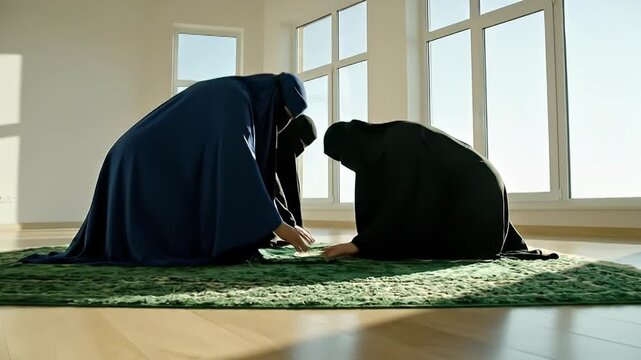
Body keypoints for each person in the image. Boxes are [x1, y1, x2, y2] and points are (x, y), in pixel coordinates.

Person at [22, 73, 315, 266]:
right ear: (272, 98)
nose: (279, 124)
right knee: (150, 245)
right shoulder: (236, 99)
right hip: (141, 160)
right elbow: (239, 164)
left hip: (142, 156)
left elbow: (261, 174)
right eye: (282, 115)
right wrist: (278, 226)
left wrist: (283, 220)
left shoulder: (242, 96)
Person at [322, 120, 530, 260]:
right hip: (485, 191)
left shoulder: (397, 146)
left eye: (342, 156)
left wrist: (361, 245)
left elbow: (402, 205)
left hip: (476, 203)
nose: (346, 163)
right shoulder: (391, 138)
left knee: (411, 245)